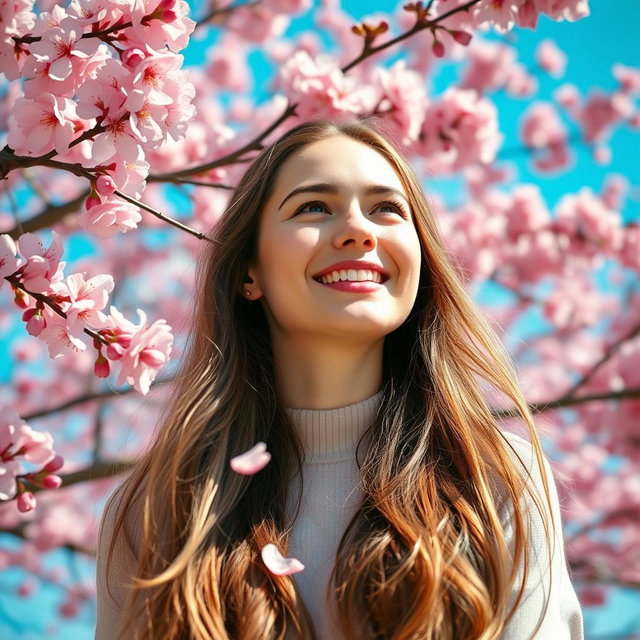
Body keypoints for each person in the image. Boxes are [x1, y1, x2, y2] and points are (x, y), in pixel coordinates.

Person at [95, 119, 584, 639]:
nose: (359, 230)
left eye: (387, 210)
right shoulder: (156, 512)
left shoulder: (491, 476)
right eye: (313, 207)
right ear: (248, 272)